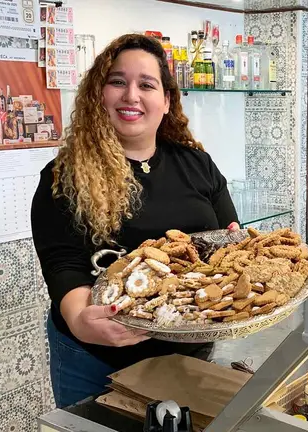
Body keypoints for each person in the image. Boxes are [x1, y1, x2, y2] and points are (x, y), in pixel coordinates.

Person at [31, 33, 239, 408]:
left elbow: (229, 246)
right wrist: (80, 320)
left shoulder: (198, 165)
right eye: (117, 82)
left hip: (189, 351)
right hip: (97, 358)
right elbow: (64, 263)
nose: (131, 95)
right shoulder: (64, 176)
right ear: (99, 95)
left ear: (166, 100)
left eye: (146, 84)